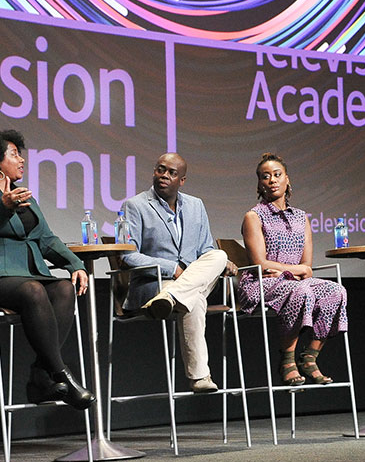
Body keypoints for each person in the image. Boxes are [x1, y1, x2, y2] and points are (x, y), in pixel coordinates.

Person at [0, 128, 95, 409]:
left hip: (29, 272)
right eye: (14, 154)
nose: (22, 160)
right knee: (33, 290)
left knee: (64, 289)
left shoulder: (25, 196)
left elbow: (46, 238)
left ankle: (41, 374)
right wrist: (2, 207)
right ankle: (60, 373)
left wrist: (75, 264)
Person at [121, 153, 237, 393]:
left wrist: (222, 263)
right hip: (154, 284)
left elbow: (206, 250)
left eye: (171, 173)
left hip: (179, 287)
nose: (164, 175)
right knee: (194, 300)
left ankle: (172, 297)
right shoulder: (135, 206)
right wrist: (171, 268)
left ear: (182, 180)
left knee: (219, 255)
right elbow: (128, 255)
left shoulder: (196, 205)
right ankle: (200, 377)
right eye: (160, 169)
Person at [237, 153, 347, 386]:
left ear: (287, 179)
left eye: (277, 175)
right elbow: (260, 264)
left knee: (336, 291)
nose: (272, 180)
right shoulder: (254, 216)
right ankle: (287, 360)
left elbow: (307, 267)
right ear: (259, 184)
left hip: (292, 282)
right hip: (259, 283)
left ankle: (310, 357)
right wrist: (293, 271)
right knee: (301, 292)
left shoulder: (301, 218)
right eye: (265, 176)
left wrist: (288, 272)